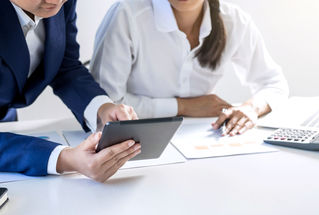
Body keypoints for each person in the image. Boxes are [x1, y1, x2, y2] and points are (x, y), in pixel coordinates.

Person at [91, 0, 289, 136]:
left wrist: (250, 108)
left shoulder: (234, 20)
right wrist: (183, 107)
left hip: (201, 137)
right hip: (135, 138)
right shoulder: (127, 14)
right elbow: (108, 105)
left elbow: (274, 83)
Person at [0, 0, 142, 182]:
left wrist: (102, 108)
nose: (54, 0)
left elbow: (64, 65)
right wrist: (64, 158)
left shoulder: (61, 4)